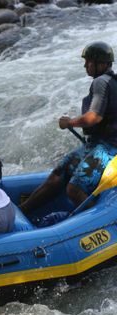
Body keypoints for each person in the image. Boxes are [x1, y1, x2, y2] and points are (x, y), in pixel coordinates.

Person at [20, 41, 117, 215]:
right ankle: (23, 211)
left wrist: (70, 122)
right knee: (59, 174)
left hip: (109, 148)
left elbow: (93, 117)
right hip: (97, 145)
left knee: (74, 189)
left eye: (89, 62)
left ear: (102, 64)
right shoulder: (111, 81)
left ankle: (98, 224)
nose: (85, 65)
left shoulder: (101, 82)